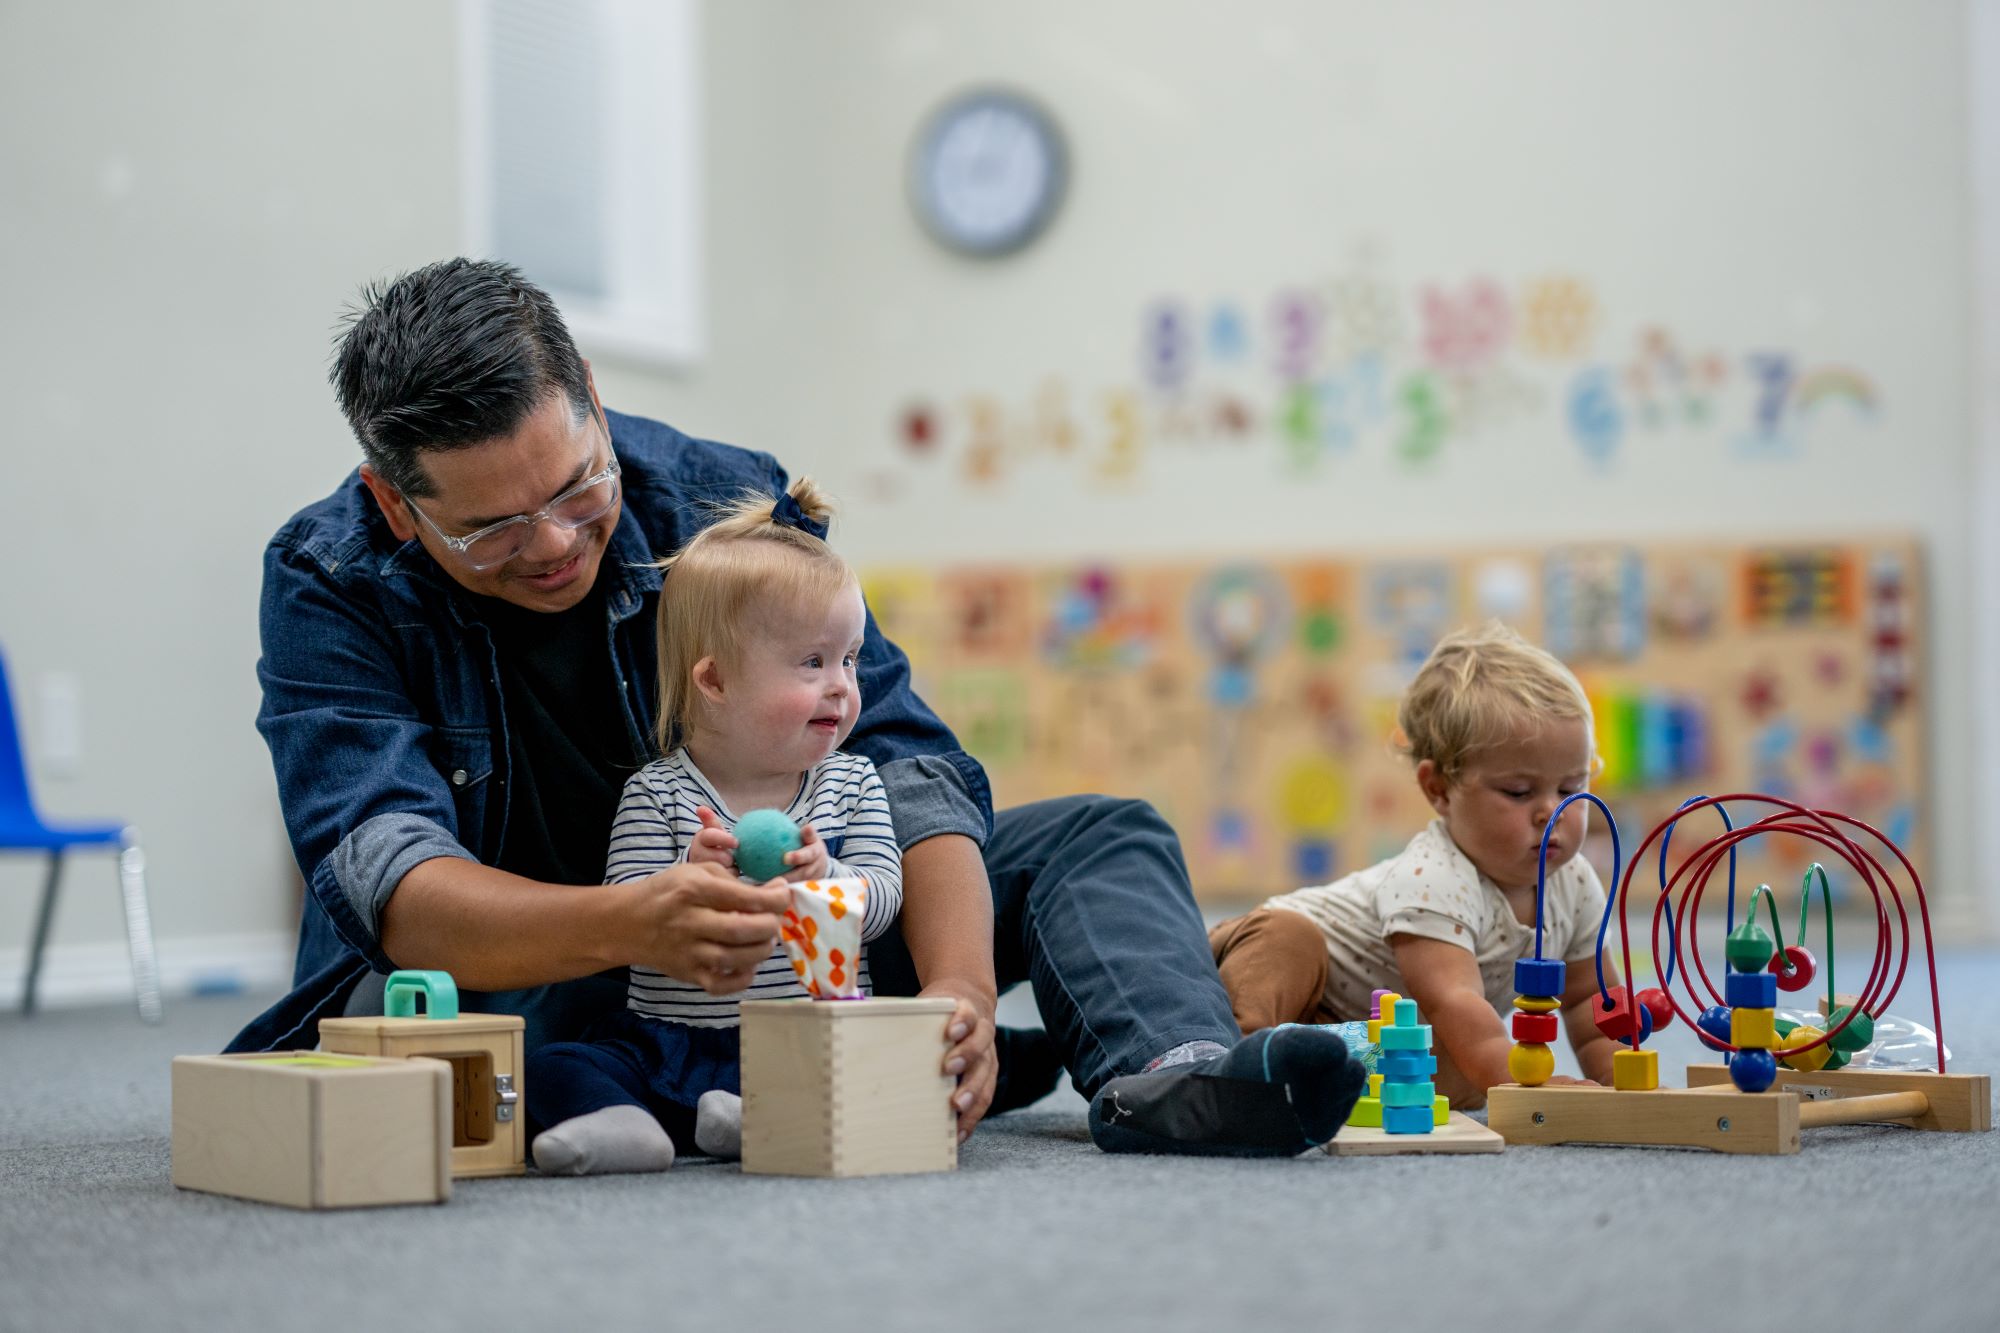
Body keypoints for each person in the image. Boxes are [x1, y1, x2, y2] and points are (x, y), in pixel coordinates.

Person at [232, 257, 1362, 1158]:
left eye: (578, 486)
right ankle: (749, 1074)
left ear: (587, 388)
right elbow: (394, 884)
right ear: (394, 503)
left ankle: (1167, 1074)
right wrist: (636, 921)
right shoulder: (330, 578)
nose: (557, 544)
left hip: (802, 935)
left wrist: (958, 988)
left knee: (1097, 834)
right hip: (551, 962)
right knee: (439, 1040)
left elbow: (906, 760)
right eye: (493, 531)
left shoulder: (724, 503)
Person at [529, 476, 903, 1174]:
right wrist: (688, 878)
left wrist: (827, 878)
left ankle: (751, 1118)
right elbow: (627, 915)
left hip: (807, 1039)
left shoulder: (852, 784)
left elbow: (882, 900)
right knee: (554, 1062)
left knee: (884, 1068)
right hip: (671, 1037)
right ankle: (627, 1123)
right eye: (812, 662)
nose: (842, 686)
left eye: (849, 659)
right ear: (716, 679)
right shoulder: (661, 793)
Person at [1207, 622, 1618, 1107]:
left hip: (1365, 1030)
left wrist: (1619, 1091)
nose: (1551, 812)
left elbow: (1592, 1005)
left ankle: (1309, 1074)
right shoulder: (1436, 877)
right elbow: (1453, 999)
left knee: (1455, 1071)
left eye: (1571, 788)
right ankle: (1231, 1066)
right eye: (1518, 792)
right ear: (1439, 789)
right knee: (1290, 939)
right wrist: (1528, 1089)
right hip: (1272, 966)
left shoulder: (1575, 883)